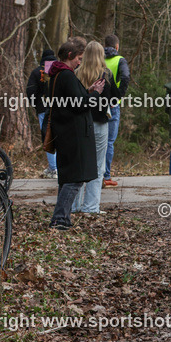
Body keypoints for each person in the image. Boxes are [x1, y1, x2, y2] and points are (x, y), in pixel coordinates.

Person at [47, 38, 104, 230]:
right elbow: (80, 105)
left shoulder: (56, 75)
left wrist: (87, 91)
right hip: (74, 134)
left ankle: (63, 218)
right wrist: (95, 94)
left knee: (68, 178)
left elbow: (72, 100)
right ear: (70, 56)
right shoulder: (67, 76)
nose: (80, 62)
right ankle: (59, 218)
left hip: (64, 133)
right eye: (78, 58)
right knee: (74, 178)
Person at [72, 41, 121, 215]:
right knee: (98, 166)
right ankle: (91, 206)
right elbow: (115, 96)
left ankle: (74, 206)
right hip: (99, 123)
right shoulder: (105, 74)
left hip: (80, 123)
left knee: (79, 164)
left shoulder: (77, 73)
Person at [102, 35, 131, 188]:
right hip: (113, 104)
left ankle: (96, 174)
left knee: (97, 140)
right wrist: (119, 94)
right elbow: (126, 77)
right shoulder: (120, 60)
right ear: (117, 46)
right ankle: (106, 175)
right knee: (109, 142)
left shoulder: (97, 59)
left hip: (96, 102)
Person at [26, 48, 58, 178]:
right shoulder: (60, 70)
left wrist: (36, 105)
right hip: (59, 107)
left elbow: (30, 92)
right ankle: (59, 167)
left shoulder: (36, 72)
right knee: (59, 136)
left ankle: (53, 168)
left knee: (48, 138)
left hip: (43, 109)